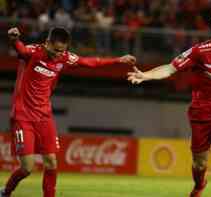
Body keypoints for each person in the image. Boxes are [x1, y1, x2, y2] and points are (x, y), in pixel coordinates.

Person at [127, 8, 211, 197]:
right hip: (201, 114)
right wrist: (146, 75)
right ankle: (199, 185)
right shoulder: (199, 52)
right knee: (199, 163)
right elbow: (170, 68)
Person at [1, 27, 136, 197]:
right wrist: (14, 40)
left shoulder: (64, 57)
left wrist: (119, 60)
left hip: (44, 116)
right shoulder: (34, 52)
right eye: (56, 50)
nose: (59, 54)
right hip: (23, 116)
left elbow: (91, 62)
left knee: (51, 162)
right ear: (47, 43)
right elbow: (20, 49)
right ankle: (6, 191)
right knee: (27, 167)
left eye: (62, 51)